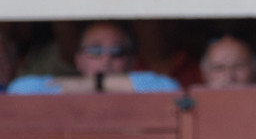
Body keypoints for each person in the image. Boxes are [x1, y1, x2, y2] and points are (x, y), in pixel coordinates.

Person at [7, 21, 180, 94]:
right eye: (95, 51)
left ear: (131, 61)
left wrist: (96, 83)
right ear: (78, 60)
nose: (106, 59)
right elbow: (19, 89)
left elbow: (169, 88)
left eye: (117, 52)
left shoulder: (151, 86)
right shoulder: (68, 87)